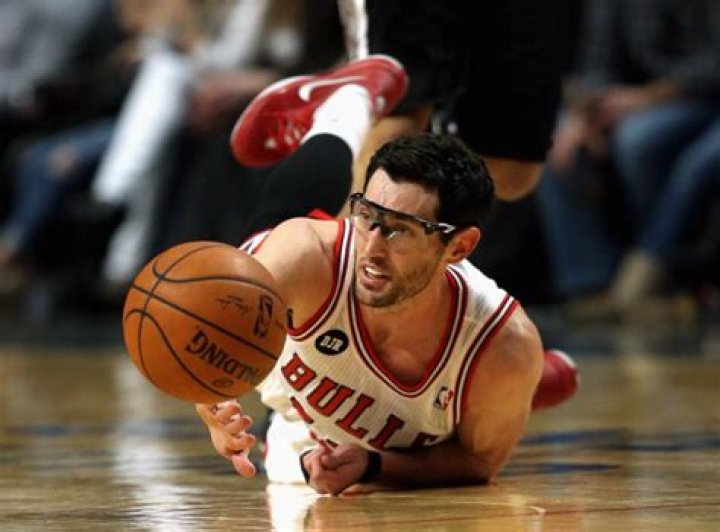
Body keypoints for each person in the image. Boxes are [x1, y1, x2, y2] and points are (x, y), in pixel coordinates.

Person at [197, 64, 578, 495]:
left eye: (399, 230)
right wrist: (212, 402)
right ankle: (343, 109)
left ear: (459, 247)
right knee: (279, 225)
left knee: (516, 177)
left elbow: (477, 462)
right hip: (291, 392)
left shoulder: (502, 344)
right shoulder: (306, 254)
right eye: (367, 216)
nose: (372, 249)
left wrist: (374, 466)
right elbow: (207, 334)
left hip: (324, 439)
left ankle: (530, 385)